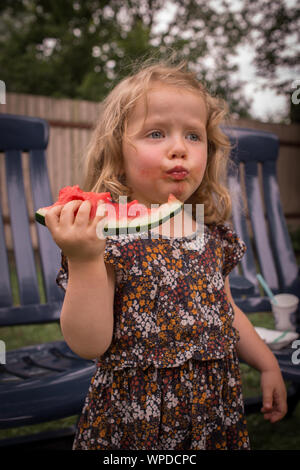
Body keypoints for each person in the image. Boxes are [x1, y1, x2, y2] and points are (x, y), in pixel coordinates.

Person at [45, 60, 287, 450]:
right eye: (156, 133)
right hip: (136, 416)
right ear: (117, 153)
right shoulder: (106, 236)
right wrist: (85, 259)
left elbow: (226, 309)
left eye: (194, 136)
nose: (179, 148)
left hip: (213, 406)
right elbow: (89, 343)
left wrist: (267, 362)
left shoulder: (211, 235)